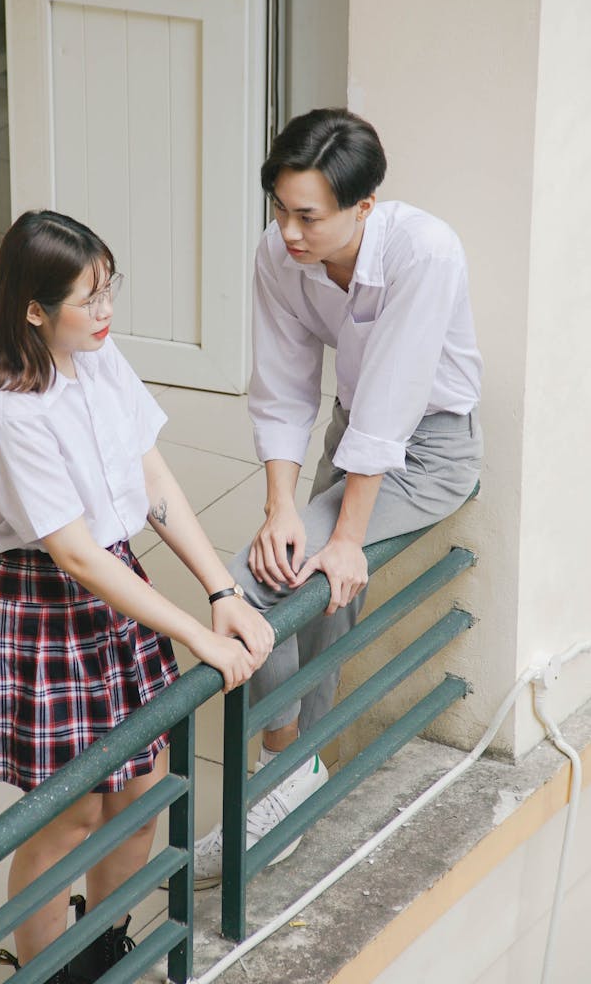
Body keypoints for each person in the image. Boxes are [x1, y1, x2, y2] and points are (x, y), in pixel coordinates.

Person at [0, 210, 274, 983]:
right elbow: (74, 555)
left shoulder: (95, 357)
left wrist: (222, 590)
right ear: (33, 308)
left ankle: (105, 945)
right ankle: (51, 972)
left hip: (116, 589)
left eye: (110, 291)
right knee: (71, 811)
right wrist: (198, 638)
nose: (107, 313)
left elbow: (151, 477)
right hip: (45, 603)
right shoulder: (10, 413)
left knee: (139, 792)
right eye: (88, 298)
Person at [194, 107, 483, 887]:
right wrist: (281, 509)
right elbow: (284, 387)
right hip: (351, 438)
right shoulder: (278, 253)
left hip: (429, 450)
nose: (288, 231)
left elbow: (392, 405)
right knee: (301, 574)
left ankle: (280, 772)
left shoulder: (425, 251)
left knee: (267, 582)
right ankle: (294, 773)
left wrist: (346, 536)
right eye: (280, 209)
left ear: (364, 207)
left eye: (307, 216)